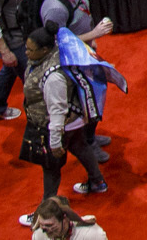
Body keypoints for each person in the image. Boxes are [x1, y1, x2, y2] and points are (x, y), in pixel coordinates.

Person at [17, 27, 105, 218]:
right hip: (74, 119)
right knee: (80, 146)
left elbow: (57, 112)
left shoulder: (53, 77)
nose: (26, 53)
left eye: (31, 50)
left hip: (60, 124)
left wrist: (55, 142)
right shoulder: (56, 52)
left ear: (45, 50)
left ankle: (45, 212)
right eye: (27, 48)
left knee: (50, 167)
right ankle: (97, 182)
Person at [29, 198, 108, 240]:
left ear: (65, 219)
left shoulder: (91, 235)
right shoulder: (39, 235)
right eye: (41, 225)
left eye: (49, 225)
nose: (44, 230)